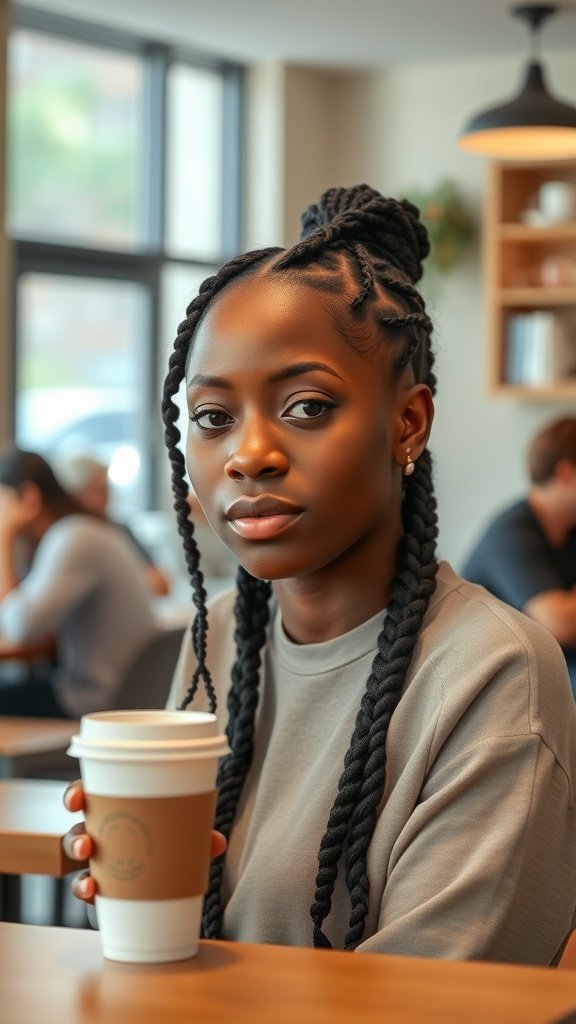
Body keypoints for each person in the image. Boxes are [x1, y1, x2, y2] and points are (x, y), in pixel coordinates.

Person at [64, 184, 576, 964]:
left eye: (305, 406)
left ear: (408, 422)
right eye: (212, 417)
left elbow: (435, 1005)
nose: (248, 454)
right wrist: (133, 871)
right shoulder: (228, 634)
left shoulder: (494, 672)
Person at [0, 447, 158, 717]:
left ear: (28, 498)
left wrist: (4, 535)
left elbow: (19, 629)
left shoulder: (73, 537)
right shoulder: (82, 530)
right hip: (127, 693)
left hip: (97, 702)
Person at [462, 416, 576, 697]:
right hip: (491, 681)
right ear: (566, 474)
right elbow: (560, 623)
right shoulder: (511, 534)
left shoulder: (569, 529)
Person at [55, 452, 171, 598]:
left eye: (107, 489)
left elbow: (161, 584)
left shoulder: (119, 530)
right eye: (97, 490)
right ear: (73, 494)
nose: (107, 497)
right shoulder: (65, 539)